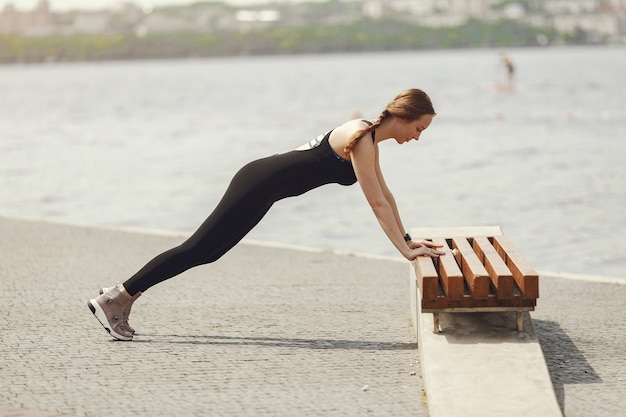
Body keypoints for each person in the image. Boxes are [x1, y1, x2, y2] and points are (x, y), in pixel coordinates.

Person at [88, 88, 446, 341]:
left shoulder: (368, 141)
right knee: (197, 248)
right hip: (258, 181)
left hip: (266, 188)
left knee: (209, 253)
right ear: (402, 117)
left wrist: (409, 239)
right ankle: (117, 297)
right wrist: (403, 250)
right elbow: (376, 204)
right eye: (419, 129)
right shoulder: (361, 136)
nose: (418, 137)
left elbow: (386, 195)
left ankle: (122, 297)